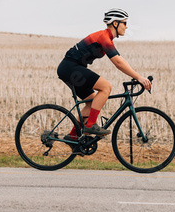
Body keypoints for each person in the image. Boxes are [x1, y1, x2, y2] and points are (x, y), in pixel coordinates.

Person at [57, 8, 152, 144]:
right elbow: (118, 62)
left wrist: (137, 76)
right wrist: (139, 78)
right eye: (124, 23)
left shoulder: (107, 38)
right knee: (106, 87)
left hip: (70, 68)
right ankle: (90, 125)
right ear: (115, 23)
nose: (126, 26)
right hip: (70, 68)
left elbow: (120, 59)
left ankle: (72, 137)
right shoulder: (104, 37)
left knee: (91, 100)